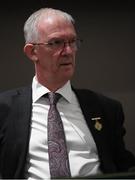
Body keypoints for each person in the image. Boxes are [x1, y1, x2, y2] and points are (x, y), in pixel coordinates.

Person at [0, 7, 135, 179]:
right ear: (32, 52)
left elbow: (125, 166)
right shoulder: (4, 108)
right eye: (56, 42)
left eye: (72, 42)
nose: (69, 51)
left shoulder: (106, 109)